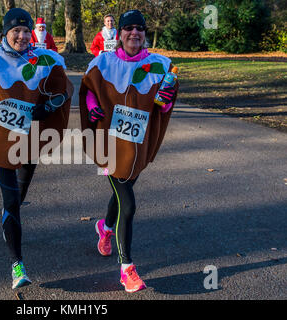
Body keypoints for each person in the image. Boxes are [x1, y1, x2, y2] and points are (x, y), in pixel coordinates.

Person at [0, 8, 73, 290]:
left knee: (19, 195)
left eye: (26, 31)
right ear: (5, 33)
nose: (22, 36)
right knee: (11, 202)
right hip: (2, 138)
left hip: (30, 139)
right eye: (16, 31)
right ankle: (17, 265)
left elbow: (64, 90)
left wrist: (46, 107)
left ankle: (10, 218)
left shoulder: (44, 59)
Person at [79, 9, 179, 293]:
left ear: (144, 33)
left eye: (139, 28)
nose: (134, 33)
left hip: (137, 144)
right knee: (129, 202)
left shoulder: (159, 65)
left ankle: (105, 228)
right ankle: (127, 270)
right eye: (128, 28)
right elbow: (89, 87)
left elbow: (163, 104)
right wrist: (91, 107)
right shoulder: (104, 62)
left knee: (121, 195)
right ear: (120, 34)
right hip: (109, 143)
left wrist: (168, 100)